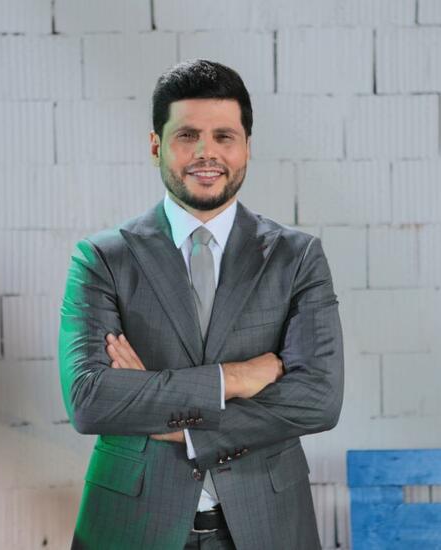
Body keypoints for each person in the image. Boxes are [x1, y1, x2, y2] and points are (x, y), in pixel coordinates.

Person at [58, 59, 344, 550]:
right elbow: (90, 400)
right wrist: (233, 379)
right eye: (187, 135)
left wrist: (173, 420)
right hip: (131, 526)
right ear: (157, 145)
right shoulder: (103, 258)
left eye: (223, 136)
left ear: (247, 146)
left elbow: (318, 398)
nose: (206, 152)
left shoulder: (296, 257)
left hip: (267, 524)